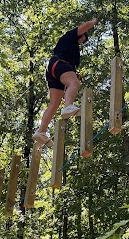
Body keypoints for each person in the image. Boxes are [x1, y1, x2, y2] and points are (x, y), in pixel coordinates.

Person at [33, 18, 98, 146]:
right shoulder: (70, 36)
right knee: (74, 84)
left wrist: (74, 72)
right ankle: (68, 106)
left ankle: (41, 131)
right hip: (59, 63)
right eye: (82, 38)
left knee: (55, 103)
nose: (81, 41)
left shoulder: (71, 48)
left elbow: (70, 66)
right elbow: (85, 25)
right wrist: (94, 21)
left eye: (83, 41)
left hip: (55, 68)